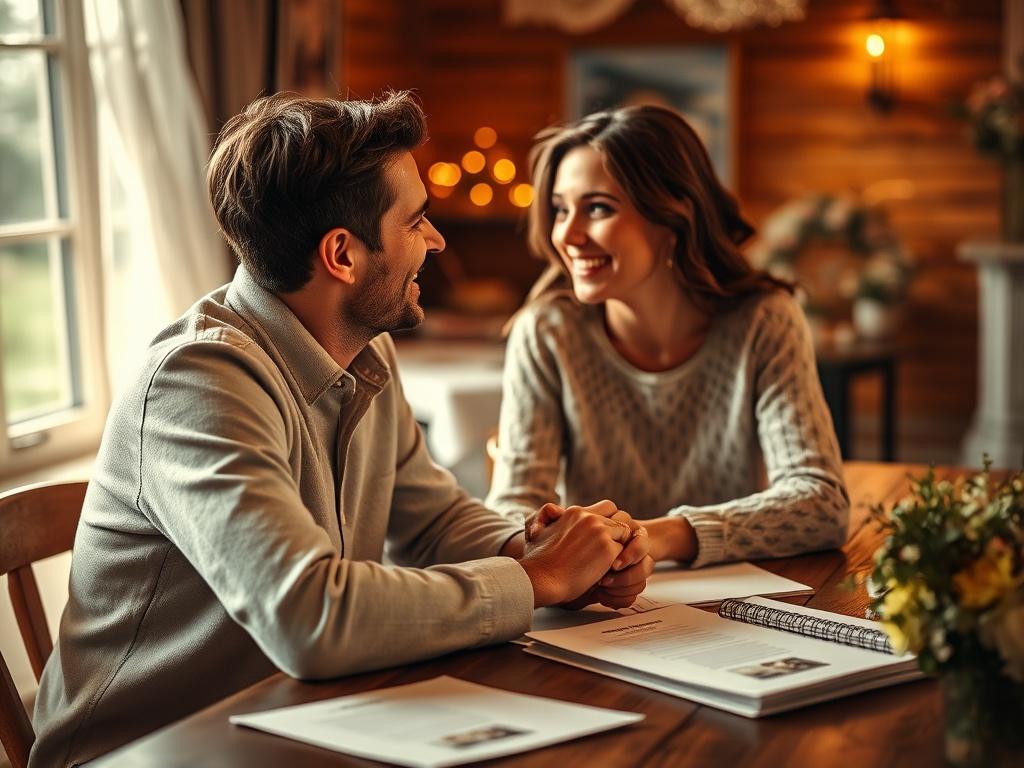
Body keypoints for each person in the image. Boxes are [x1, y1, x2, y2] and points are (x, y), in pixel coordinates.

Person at [29, 92, 653, 767]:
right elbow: (311, 619)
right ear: (342, 256)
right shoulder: (197, 382)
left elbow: (431, 522)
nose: (436, 241)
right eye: (416, 222)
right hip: (145, 754)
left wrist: (542, 547)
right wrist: (537, 581)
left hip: (291, 727)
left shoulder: (361, 345)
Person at [486, 104, 849, 568]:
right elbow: (512, 509)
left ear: (674, 216)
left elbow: (821, 504)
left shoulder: (765, 321)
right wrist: (558, 547)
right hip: (596, 610)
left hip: (739, 603)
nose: (568, 234)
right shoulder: (545, 332)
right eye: (560, 209)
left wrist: (656, 538)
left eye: (597, 207)